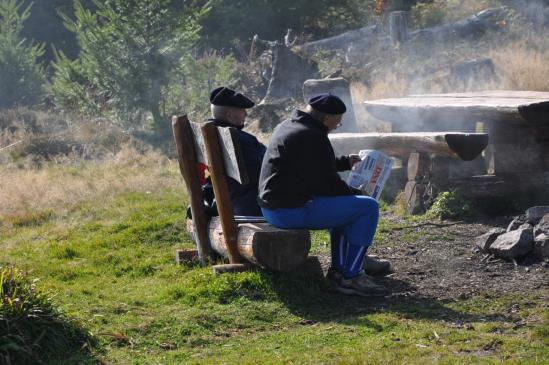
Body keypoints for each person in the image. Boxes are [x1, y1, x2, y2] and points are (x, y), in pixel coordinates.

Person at [257, 93, 389, 297]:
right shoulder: (311, 135)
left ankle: (340, 272)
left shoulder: (290, 126)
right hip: (289, 211)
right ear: (327, 118)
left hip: (274, 207)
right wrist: (356, 192)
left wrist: (344, 162)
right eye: (337, 121)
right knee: (367, 206)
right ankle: (352, 275)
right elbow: (325, 184)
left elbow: (310, 163)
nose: (338, 124)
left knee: (347, 207)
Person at [207, 86, 266, 216]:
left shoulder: (209, 135)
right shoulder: (239, 140)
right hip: (250, 206)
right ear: (229, 115)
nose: (246, 113)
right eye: (242, 110)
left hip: (230, 201)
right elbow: (263, 172)